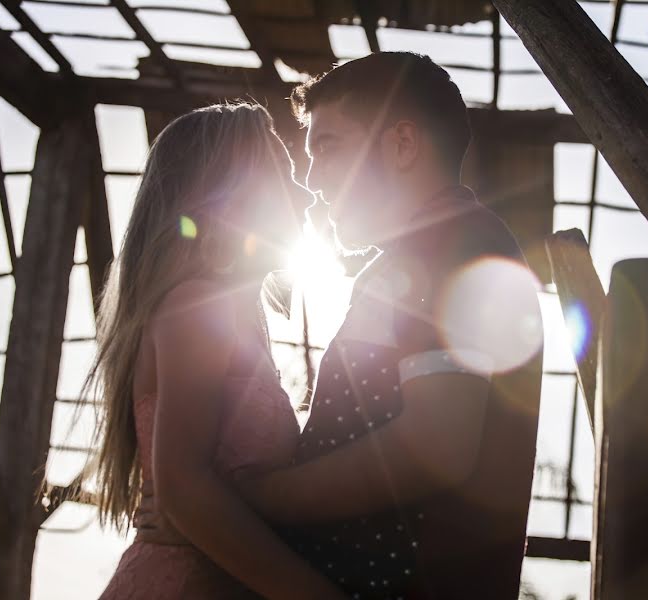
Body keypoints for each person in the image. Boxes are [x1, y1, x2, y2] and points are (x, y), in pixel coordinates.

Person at [139, 52, 544, 599]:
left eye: (327, 148)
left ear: (402, 145)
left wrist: (255, 499)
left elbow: (438, 444)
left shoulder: (459, 245)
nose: (311, 181)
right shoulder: (411, 260)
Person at [91, 102, 345, 599]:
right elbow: (183, 490)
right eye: (283, 174)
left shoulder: (236, 314)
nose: (304, 190)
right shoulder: (197, 305)